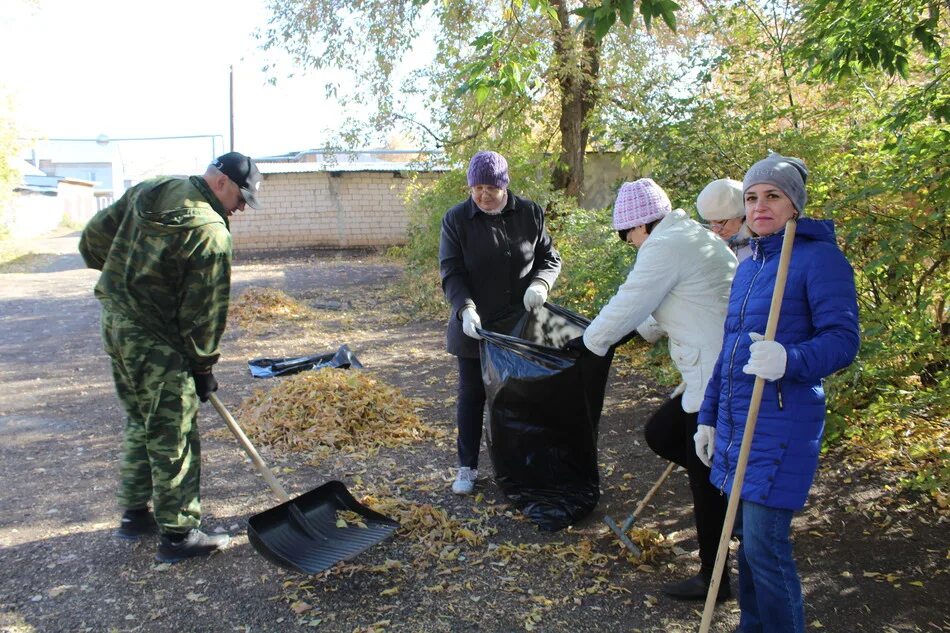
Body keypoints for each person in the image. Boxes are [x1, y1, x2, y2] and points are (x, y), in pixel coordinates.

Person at [695, 154, 859, 633]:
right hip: (737, 420)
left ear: (794, 205)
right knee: (745, 539)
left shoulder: (819, 258)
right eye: (751, 197)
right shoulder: (749, 264)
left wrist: (791, 359)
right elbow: (728, 352)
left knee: (766, 547)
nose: (760, 205)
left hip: (783, 422)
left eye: (773, 196)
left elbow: (843, 339)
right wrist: (707, 416)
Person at [78, 151, 263, 563]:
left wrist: (125, 283)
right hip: (158, 340)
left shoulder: (153, 188)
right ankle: (179, 535)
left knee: (142, 419)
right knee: (173, 430)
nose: (240, 209)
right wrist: (202, 366)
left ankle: (134, 516)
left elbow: (92, 240)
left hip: (116, 323)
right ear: (221, 183)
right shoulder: (211, 232)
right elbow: (204, 311)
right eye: (240, 199)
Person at [564, 178, 738, 601]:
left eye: (628, 237)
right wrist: (617, 336)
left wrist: (588, 342)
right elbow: (661, 306)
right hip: (714, 367)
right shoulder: (685, 236)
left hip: (717, 375)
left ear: (640, 227)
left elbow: (632, 298)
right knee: (662, 434)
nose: (630, 244)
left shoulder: (664, 246)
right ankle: (731, 492)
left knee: (704, 478)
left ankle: (715, 579)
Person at [439, 150, 561, 495]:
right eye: (475, 188)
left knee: (519, 397)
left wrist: (541, 284)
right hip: (474, 327)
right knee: (472, 396)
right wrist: (465, 309)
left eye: (489, 188)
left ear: (504, 185)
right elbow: (451, 272)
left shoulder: (530, 213)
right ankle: (467, 467)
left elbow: (549, 258)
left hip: (520, 327)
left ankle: (521, 465)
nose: (482, 195)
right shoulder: (457, 219)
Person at [696, 178, 753, 262]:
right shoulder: (717, 246)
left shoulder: (761, 244)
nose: (715, 230)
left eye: (720, 222)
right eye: (710, 223)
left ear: (741, 215)